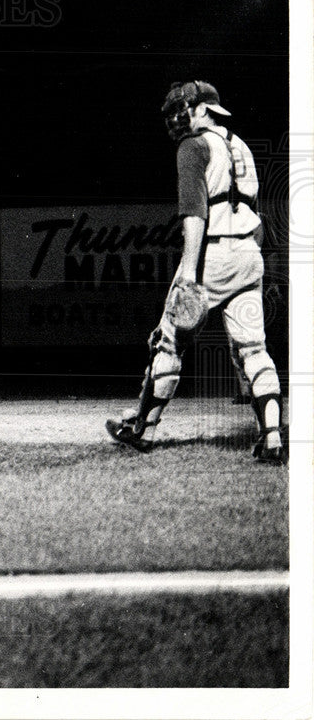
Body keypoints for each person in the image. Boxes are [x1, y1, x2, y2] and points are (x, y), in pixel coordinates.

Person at [106, 81, 285, 464]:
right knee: (253, 348)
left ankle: (143, 429)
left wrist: (188, 273)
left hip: (213, 255)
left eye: (182, 109)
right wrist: (253, 264)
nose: (176, 118)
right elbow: (253, 214)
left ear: (203, 108)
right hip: (249, 254)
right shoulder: (240, 145)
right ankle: (272, 437)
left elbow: (194, 213)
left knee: (168, 343)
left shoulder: (194, 146)